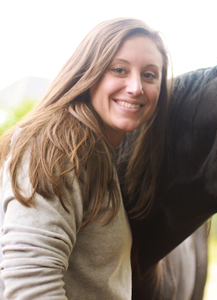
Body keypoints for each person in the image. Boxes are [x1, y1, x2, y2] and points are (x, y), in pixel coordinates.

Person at [0, 17, 171, 300]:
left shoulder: (97, 152)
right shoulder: (59, 148)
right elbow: (30, 284)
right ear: (89, 72)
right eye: (119, 69)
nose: (136, 87)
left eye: (150, 75)